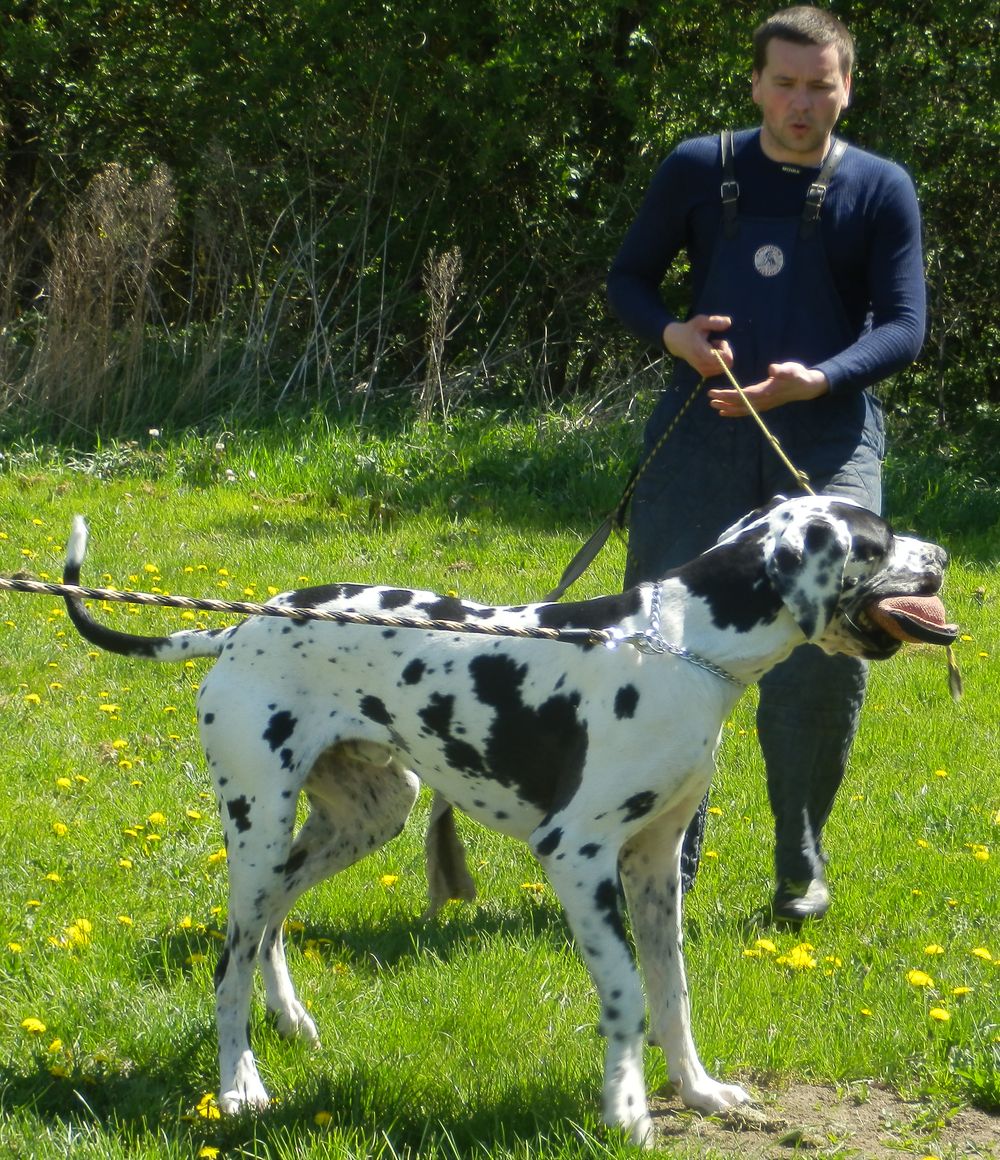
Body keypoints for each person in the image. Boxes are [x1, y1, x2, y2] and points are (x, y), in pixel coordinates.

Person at [606, 6, 925, 921]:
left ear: (846, 87)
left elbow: (905, 325)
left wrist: (819, 379)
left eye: (820, 86)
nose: (800, 103)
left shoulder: (880, 186)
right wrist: (675, 335)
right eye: (784, 84)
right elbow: (627, 280)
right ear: (754, 84)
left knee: (828, 649)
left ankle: (800, 865)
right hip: (697, 432)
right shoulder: (696, 168)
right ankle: (662, 865)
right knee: (664, 638)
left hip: (827, 438)